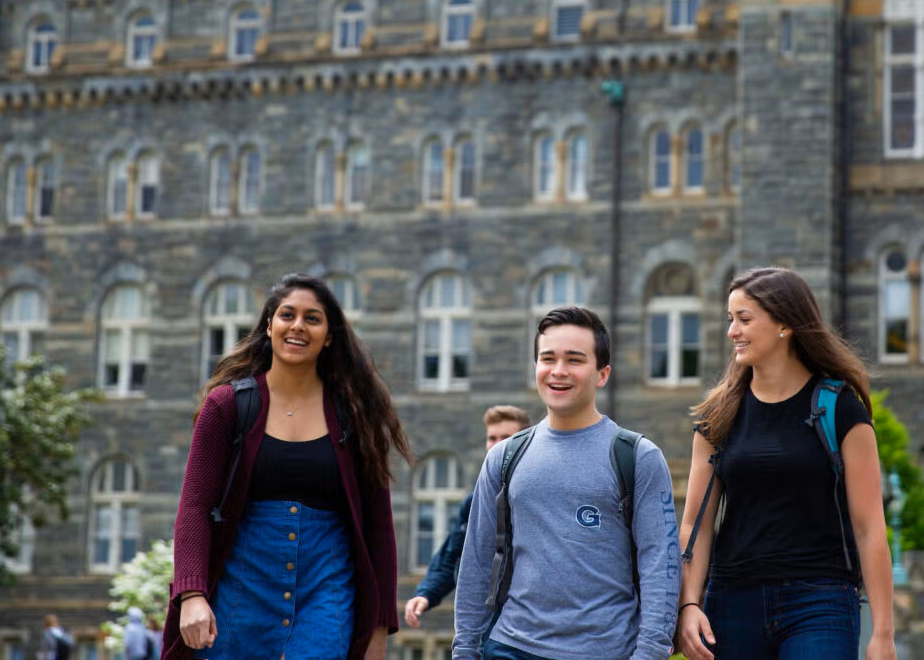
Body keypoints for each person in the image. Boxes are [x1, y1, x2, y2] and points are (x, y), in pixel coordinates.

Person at [163, 272, 413, 660]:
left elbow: (379, 525)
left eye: (312, 318)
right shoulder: (227, 406)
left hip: (327, 587)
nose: (298, 326)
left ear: (329, 335)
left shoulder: (354, 416)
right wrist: (192, 594)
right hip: (241, 586)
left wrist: (379, 628)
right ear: (269, 325)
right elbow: (194, 506)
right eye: (287, 315)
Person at [675, 266, 896, 660]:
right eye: (730, 320)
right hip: (731, 601)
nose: (732, 332)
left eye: (744, 319)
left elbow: (869, 527)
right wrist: (688, 604)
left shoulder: (839, 408)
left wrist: (883, 633)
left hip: (821, 602)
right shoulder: (718, 416)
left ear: (785, 324)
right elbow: (695, 522)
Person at [452, 306, 679, 660]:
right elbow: (477, 560)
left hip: (604, 650)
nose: (558, 371)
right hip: (510, 646)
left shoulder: (638, 457)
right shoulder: (504, 456)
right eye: (548, 358)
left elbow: (660, 563)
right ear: (536, 367)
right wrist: (465, 649)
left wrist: (650, 652)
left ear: (602, 374)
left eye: (574, 360)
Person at [404, 405, 532, 628]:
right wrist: (426, 594)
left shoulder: (539, 497)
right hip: (485, 624)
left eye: (507, 437)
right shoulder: (475, 502)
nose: (497, 445)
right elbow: (453, 556)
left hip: (531, 624)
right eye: (492, 438)